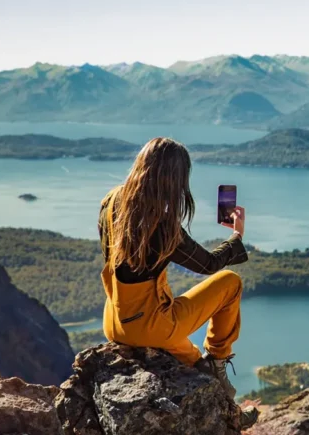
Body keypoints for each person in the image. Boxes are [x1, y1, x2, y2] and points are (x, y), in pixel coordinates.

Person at [97, 137, 258, 428]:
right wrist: (237, 236)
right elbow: (208, 264)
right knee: (230, 282)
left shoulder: (110, 203)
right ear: (176, 179)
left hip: (114, 322)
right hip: (153, 327)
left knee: (194, 361)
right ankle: (220, 359)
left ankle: (231, 413)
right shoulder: (162, 223)